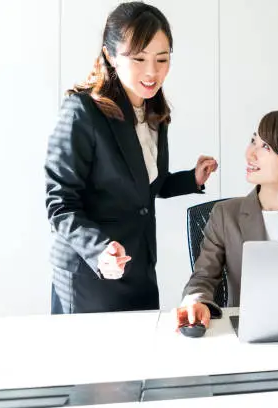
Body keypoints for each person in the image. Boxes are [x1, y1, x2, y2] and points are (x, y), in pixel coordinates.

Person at [45, 2, 217, 314]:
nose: (152, 72)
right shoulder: (81, 111)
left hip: (139, 266)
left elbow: (144, 184)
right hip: (92, 272)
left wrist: (191, 179)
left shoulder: (154, 111)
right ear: (110, 56)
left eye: (162, 59)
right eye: (138, 58)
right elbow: (60, 203)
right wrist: (98, 251)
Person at [176, 110, 278, 328]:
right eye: (253, 140)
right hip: (245, 329)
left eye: (266, 147)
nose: (250, 154)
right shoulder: (225, 214)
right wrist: (194, 301)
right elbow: (203, 277)